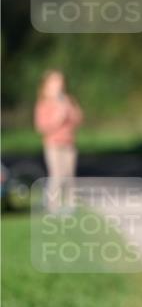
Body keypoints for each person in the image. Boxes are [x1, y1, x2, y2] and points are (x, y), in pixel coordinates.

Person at [34, 70, 83, 212]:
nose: (59, 85)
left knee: (69, 174)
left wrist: (69, 109)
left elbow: (78, 119)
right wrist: (58, 117)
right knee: (56, 174)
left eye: (60, 81)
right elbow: (41, 127)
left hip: (69, 143)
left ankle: (70, 205)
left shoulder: (67, 99)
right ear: (47, 84)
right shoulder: (44, 103)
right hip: (53, 144)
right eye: (55, 81)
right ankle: (52, 205)